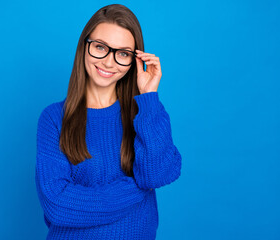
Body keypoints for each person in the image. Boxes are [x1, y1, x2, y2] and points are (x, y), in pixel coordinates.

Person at [35, 4, 182, 240]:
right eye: (100, 47)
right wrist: (138, 186)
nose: (109, 62)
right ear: (85, 46)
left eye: (123, 53)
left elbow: (158, 174)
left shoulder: (145, 113)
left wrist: (149, 96)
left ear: (135, 60)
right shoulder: (54, 118)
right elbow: (58, 206)